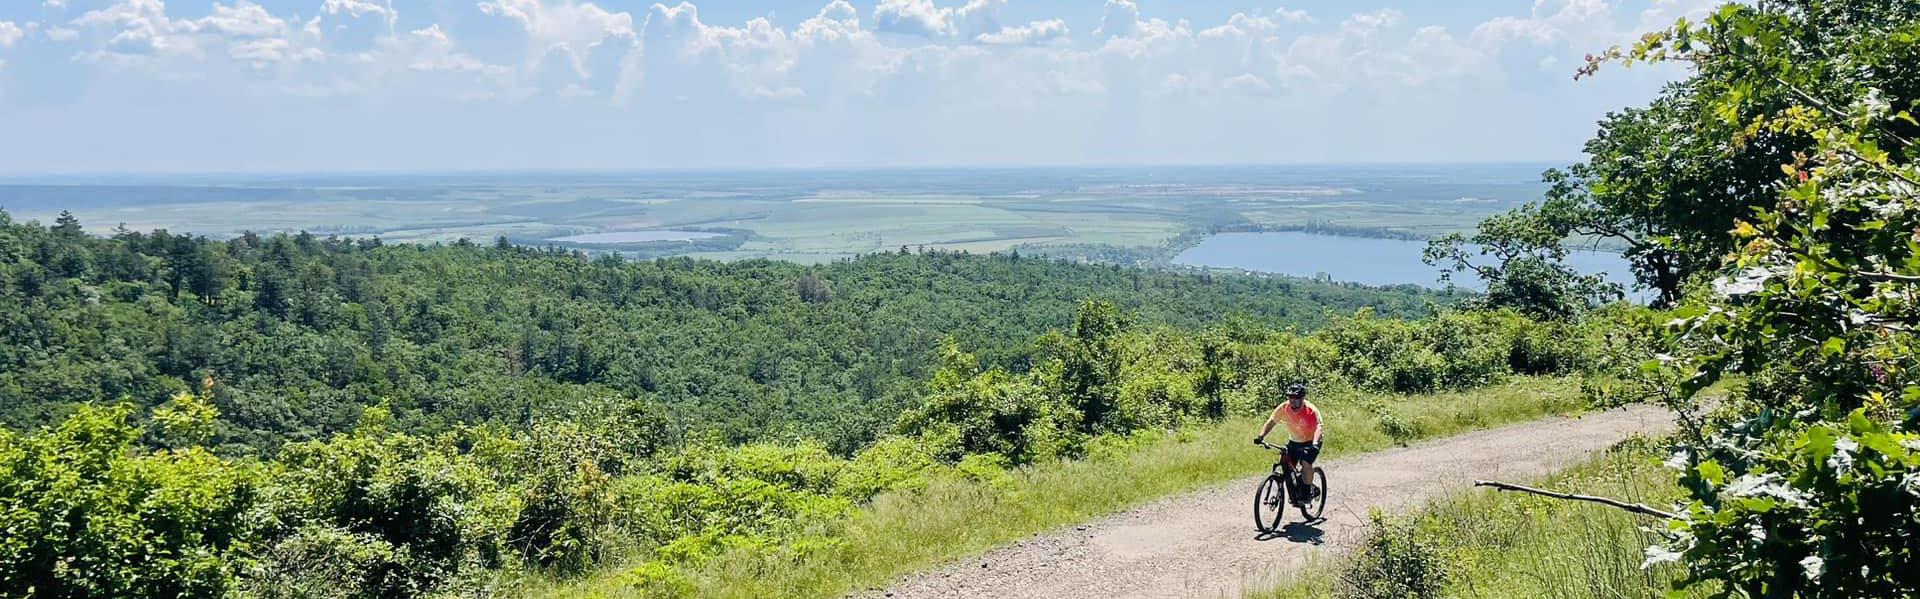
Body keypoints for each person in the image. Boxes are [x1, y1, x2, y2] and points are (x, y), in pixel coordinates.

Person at [1254, 383, 1322, 502]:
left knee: (1306, 463)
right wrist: (1261, 436)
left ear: (1302, 398)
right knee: (1286, 464)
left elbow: (1319, 427)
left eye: (1296, 398)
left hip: (1311, 442)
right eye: (1290, 397)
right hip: (1294, 441)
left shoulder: (1311, 410)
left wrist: (1315, 443)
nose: (1293, 400)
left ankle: (1307, 492)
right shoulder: (1284, 408)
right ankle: (1294, 494)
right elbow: (1271, 421)